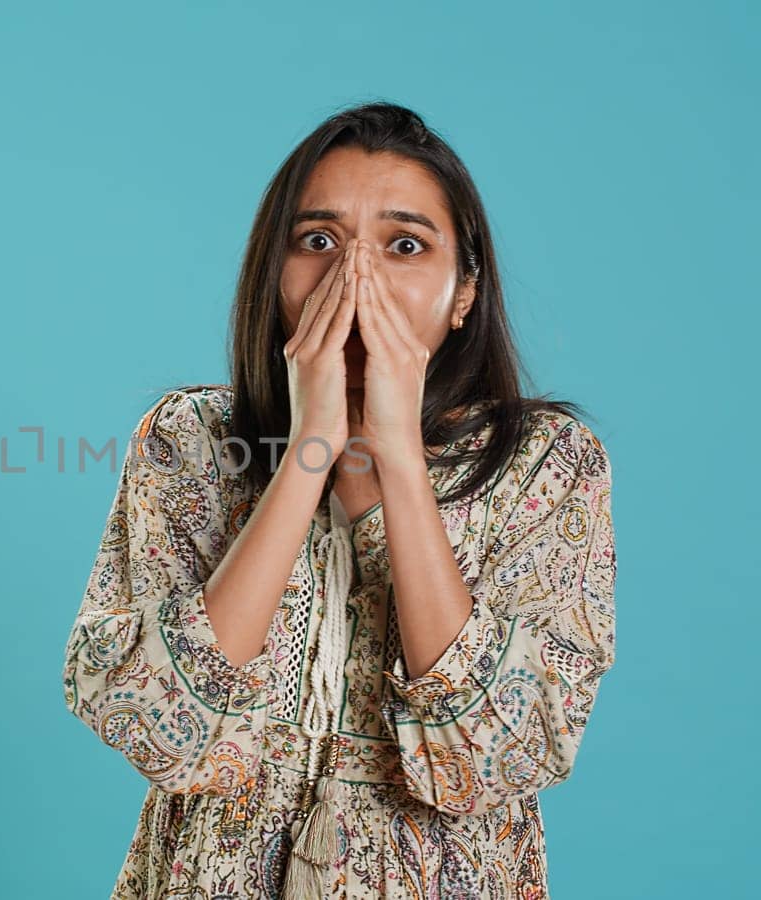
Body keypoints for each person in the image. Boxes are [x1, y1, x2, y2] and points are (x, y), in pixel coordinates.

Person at [61, 101, 617, 899]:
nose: (356, 279)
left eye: (405, 246)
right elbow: (149, 723)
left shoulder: (546, 465)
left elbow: (505, 750)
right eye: (318, 242)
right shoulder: (189, 441)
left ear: (464, 292)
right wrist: (309, 452)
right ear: (272, 275)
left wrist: (393, 456)